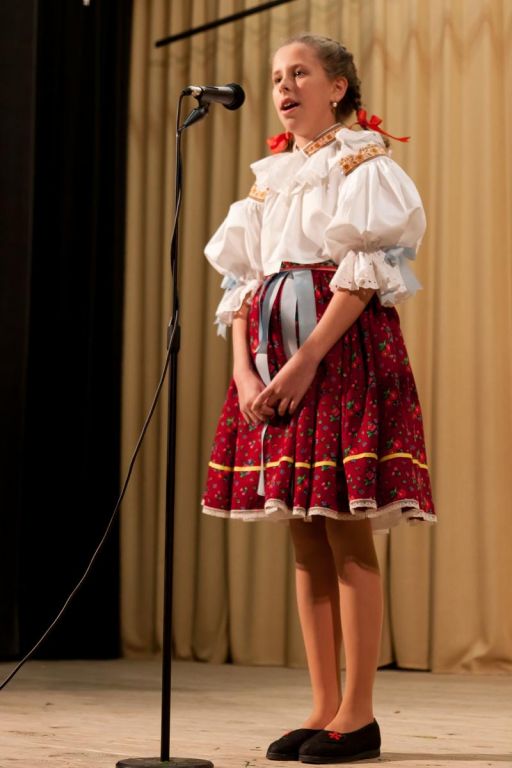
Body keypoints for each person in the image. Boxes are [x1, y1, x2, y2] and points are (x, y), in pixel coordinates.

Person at [201, 33, 435, 764]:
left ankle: (358, 713)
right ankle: (323, 704)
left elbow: (362, 275)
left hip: (335, 356)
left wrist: (306, 363)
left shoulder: (362, 164)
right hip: (272, 363)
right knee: (304, 533)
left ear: (337, 87)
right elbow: (244, 286)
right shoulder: (269, 181)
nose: (284, 86)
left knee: (343, 527)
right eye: (277, 76)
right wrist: (245, 374)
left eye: (299, 73)